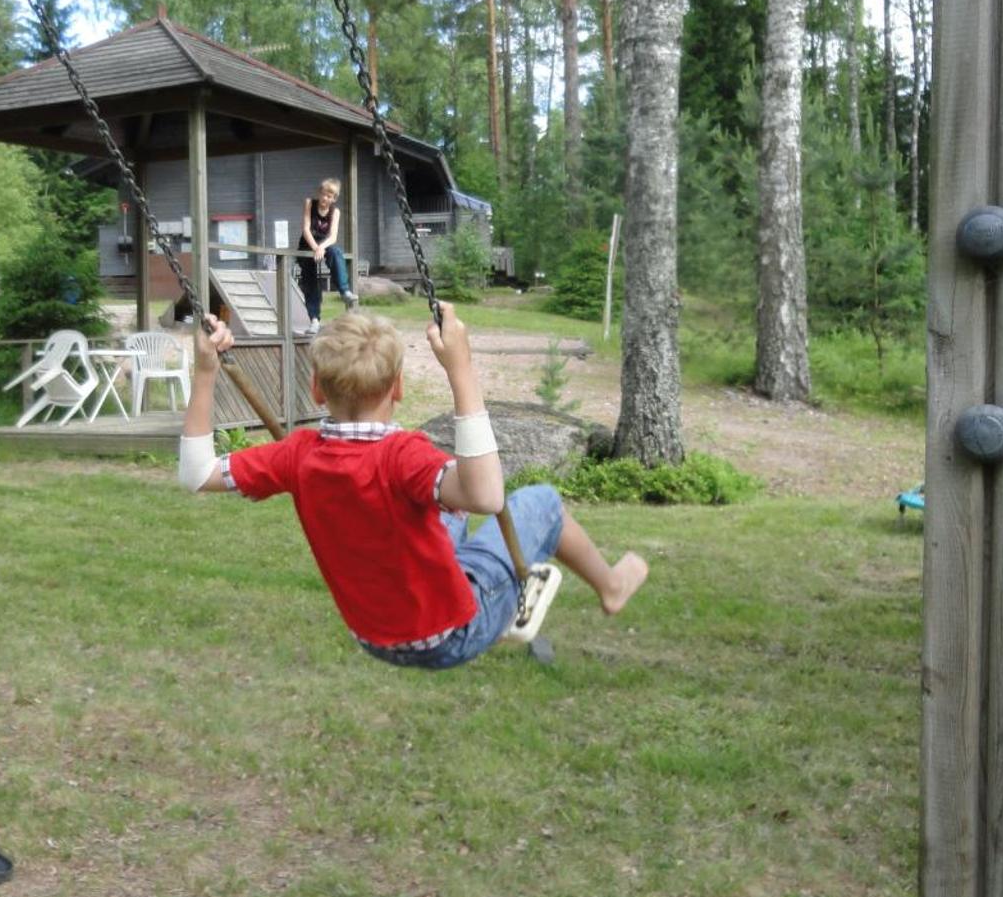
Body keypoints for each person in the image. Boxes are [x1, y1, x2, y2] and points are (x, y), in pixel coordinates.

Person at [175, 306, 649, 668]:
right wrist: (460, 370)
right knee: (540, 502)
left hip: (373, 635)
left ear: (317, 389)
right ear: (398, 387)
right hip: (450, 634)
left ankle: (468, 549)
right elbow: (488, 497)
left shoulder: (297, 454)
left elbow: (196, 472)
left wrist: (205, 373)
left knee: (445, 507)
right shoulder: (404, 458)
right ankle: (610, 586)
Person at [298, 178, 356, 333]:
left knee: (336, 252)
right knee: (310, 281)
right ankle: (314, 320)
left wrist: (321, 248)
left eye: (330, 196)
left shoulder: (335, 212)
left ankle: (344, 290)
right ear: (320, 193)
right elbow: (306, 229)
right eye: (324, 194)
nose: (325, 199)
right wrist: (315, 248)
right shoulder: (310, 203)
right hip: (308, 244)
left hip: (324, 244)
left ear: (334, 198)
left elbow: (333, 237)